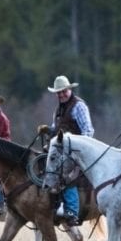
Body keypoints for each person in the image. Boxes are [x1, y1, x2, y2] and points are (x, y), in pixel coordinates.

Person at [36, 75, 94, 226]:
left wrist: (75, 147)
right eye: (58, 92)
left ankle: (71, 212)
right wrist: (48, 130)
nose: (61, 94)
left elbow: (88, 131)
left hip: (77, 152)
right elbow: (57, 129)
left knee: (68, 177)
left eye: (64, 91)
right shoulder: (58, 109)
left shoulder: (78, 106)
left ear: (69, 90)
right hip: (61, 151)